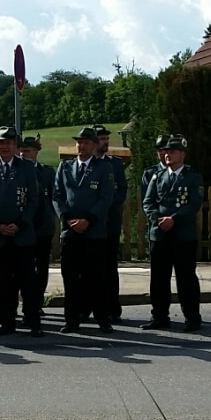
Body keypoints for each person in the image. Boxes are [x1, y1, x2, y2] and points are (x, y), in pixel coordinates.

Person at [0, 126, 42, 336]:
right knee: (4, 282)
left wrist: (20, 224)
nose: (5, 146)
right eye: (1, 143)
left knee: (27, 280)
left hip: (22, 234)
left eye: (9, 143)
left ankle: (32, 320)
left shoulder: (27, 167)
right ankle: (7, 321)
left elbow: (33, 199)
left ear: (15, 145)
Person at [53, 126, 116, 333]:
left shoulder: (103, 168)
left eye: (87, 142)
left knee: (97, 278)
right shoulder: (65, 167)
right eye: (79, 142)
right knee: (70, 278)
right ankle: (71, 320)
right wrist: (68, 218)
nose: (82, 146)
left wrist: (88, 219)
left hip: (94, 231)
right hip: (70, 231)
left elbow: (106, 197)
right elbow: (57, 196)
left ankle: (102, 319)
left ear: (94, 145)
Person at [141, 134, 204, 331]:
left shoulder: (193, 177)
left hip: (183, 235)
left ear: (182, 154)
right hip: (160, 234)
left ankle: (192, 317)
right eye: (166, 152)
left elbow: (194, 203)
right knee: (159, 278)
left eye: (173, 151)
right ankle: (159, 316)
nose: (167, 155)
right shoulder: (157, 176)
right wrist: (157, 219)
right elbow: (148, 202)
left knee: (186, 278)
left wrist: (174, 219)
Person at [17, 132, 56, 323]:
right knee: (22, 268)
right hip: (23, 227)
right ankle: (22, 302)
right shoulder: (17, 171)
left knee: (41, 267)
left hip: (42, 227)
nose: (24, 154)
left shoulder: (47, 172)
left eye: (28, 151)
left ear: (36, 152)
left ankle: (37, 303)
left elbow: (53, 198)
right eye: (22, 151)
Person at [95, 123, 127, 321]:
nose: (105, 142)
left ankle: (112, 308)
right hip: (89, 226)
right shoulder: (82, 164)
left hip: (110, 224)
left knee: (109, 268)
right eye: (101, 138)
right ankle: (87, 307)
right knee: (88, 269)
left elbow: (121, 190)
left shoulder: (115, 164)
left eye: (106, 138)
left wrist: (106, 208)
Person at [140, 136, 171, 200]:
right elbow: (146, 201)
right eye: (159, 150)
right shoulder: (149, 174)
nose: (162, 153)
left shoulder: (181, 171)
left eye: (165, 149)